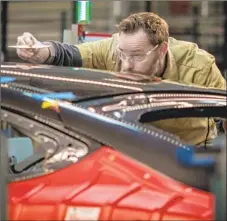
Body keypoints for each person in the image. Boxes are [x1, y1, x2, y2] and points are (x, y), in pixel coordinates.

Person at [16, 12, 226, 146]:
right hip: (133, 147)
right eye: (122, 55)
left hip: (187, 150)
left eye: (136, 57)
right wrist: (41, 52)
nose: (126, 65)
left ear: (162, 50)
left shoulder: (198, 66)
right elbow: (71, 54)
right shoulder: (115, 47)